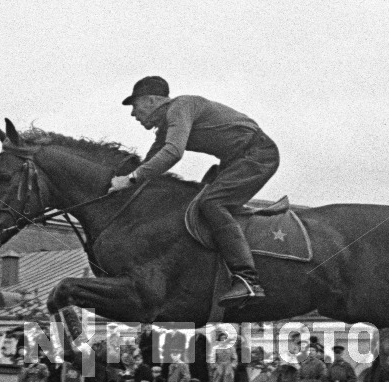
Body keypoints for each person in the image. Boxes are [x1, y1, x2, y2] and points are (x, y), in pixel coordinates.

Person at [110, 76, 279, 307]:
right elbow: (149, 166)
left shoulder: (181, 106)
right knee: (195, 204)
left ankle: (248, 280)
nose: (133, 114)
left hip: (257, 155)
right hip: (235, 160)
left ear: (151, 101)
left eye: (135, 106)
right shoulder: (167, 126)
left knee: (211, 203)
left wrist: (130, 179)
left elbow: (172, 153)